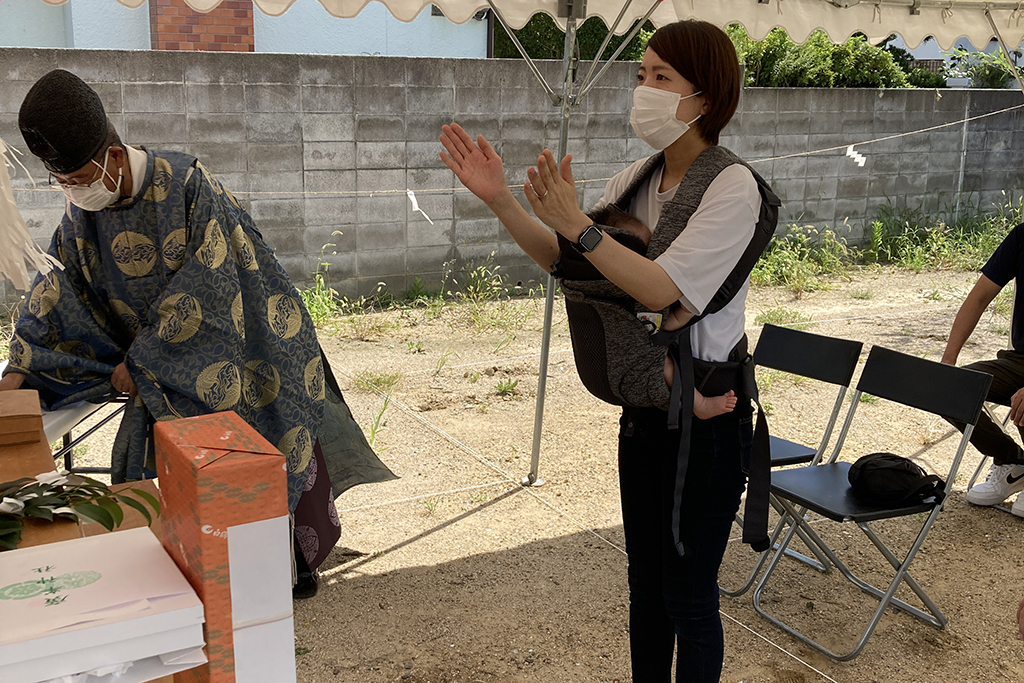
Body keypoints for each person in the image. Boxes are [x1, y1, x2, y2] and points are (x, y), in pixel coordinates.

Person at [441, 20, 760, 682]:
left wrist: (580, 226)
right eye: (640, 75)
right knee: (646, 587)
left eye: (661, 78)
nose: (643, 89)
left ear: (705, 98)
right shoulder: (633, 179)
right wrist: (502, 200)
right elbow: (575, 264)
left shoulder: (734, 189)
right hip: (647, 408)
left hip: (709, 415)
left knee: (689, 596)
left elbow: (661, 286)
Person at [1, 69, 386, 598]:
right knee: (178, 465)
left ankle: (293, 561)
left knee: (267, 440)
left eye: (76, 179)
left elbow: (206, 289)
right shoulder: (84, 209)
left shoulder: (186, 184)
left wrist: (139, 366)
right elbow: (57, 283)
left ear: (113, 157)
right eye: (62, 183)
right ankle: (195, 564)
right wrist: (20, 363)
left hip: (248, 342)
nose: (72, 192)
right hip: (155, 359)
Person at [941, 223, 1024, 518]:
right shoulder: (1021, 236)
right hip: (1020, 360)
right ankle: (1014, 462)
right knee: (948, 389)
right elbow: (978, 298)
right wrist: (948, 361)